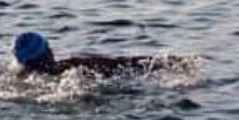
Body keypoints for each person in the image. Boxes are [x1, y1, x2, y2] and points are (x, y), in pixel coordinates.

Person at [12, 32, 185, 79]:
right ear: (48, 51)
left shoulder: (16, 78)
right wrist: (164, 62)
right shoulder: (75, 66)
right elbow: (124, 63)